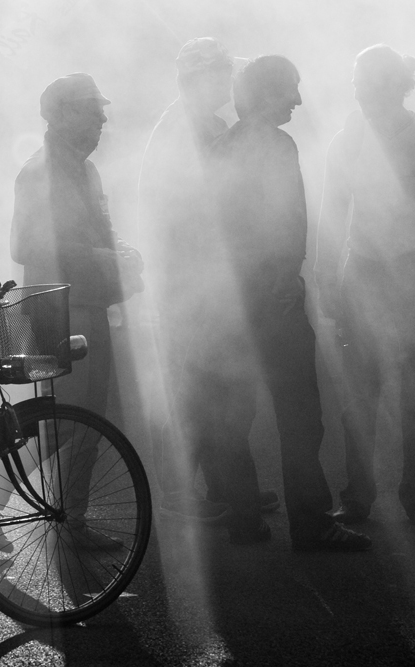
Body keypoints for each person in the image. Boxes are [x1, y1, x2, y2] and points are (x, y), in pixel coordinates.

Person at [0, 73, 143, 554]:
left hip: (87, 303)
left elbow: (99, 231)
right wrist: (103, 257)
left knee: (84, 418)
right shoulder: (39, 171)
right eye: (92, 109)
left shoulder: (86, 171)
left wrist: (120, 251)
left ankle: (72, 519)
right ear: (61, 114)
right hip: (53, 307)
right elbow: (26, 244)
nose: (103, 119)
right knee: (65, 421)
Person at [211, 55, 371, 550]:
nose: (298, 101)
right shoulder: (278, 145)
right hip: (274, 300)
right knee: (300, 416)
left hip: (230, 302)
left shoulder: (223, 145)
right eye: (290, 91)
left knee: (233, 414)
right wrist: (285, 279)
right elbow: (283, 223)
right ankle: (311, 522)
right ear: (265, 93)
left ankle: (243, 519)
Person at [315, 45, 415, 528]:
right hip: (364, 275)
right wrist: (330, 283)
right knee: (360, 398)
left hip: (411, 274)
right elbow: (332, 216)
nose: (356, 89)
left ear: (387, 86)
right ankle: (358, 497)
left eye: (362, 81)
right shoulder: (348, 140)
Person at [137, 37, 277, 525]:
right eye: (219, 73)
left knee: (218, 386)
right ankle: (182, 491)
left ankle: (229, 485)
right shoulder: (183, 129)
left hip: (206, 278)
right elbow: (183, 207)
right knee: (197, 389)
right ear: (198, 78)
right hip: (189, 281)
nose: (227, 82)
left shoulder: (207, 124)